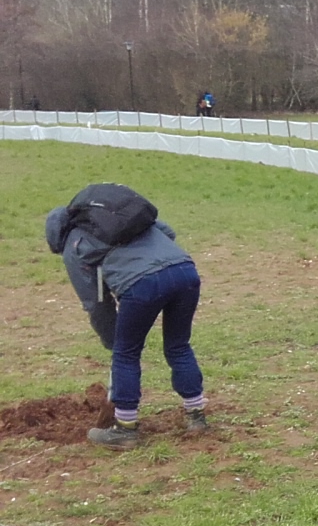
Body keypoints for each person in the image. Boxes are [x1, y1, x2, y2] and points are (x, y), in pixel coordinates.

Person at [45, 189, 208, 448]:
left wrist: (112, 339)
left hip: (143, 285)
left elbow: (95, 303)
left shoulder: (73, 245)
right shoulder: (123, 218)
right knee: (178, 345)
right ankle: (196, 417)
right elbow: (167, 231)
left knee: (126, 353)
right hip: (185, 271)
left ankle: (125, 429)